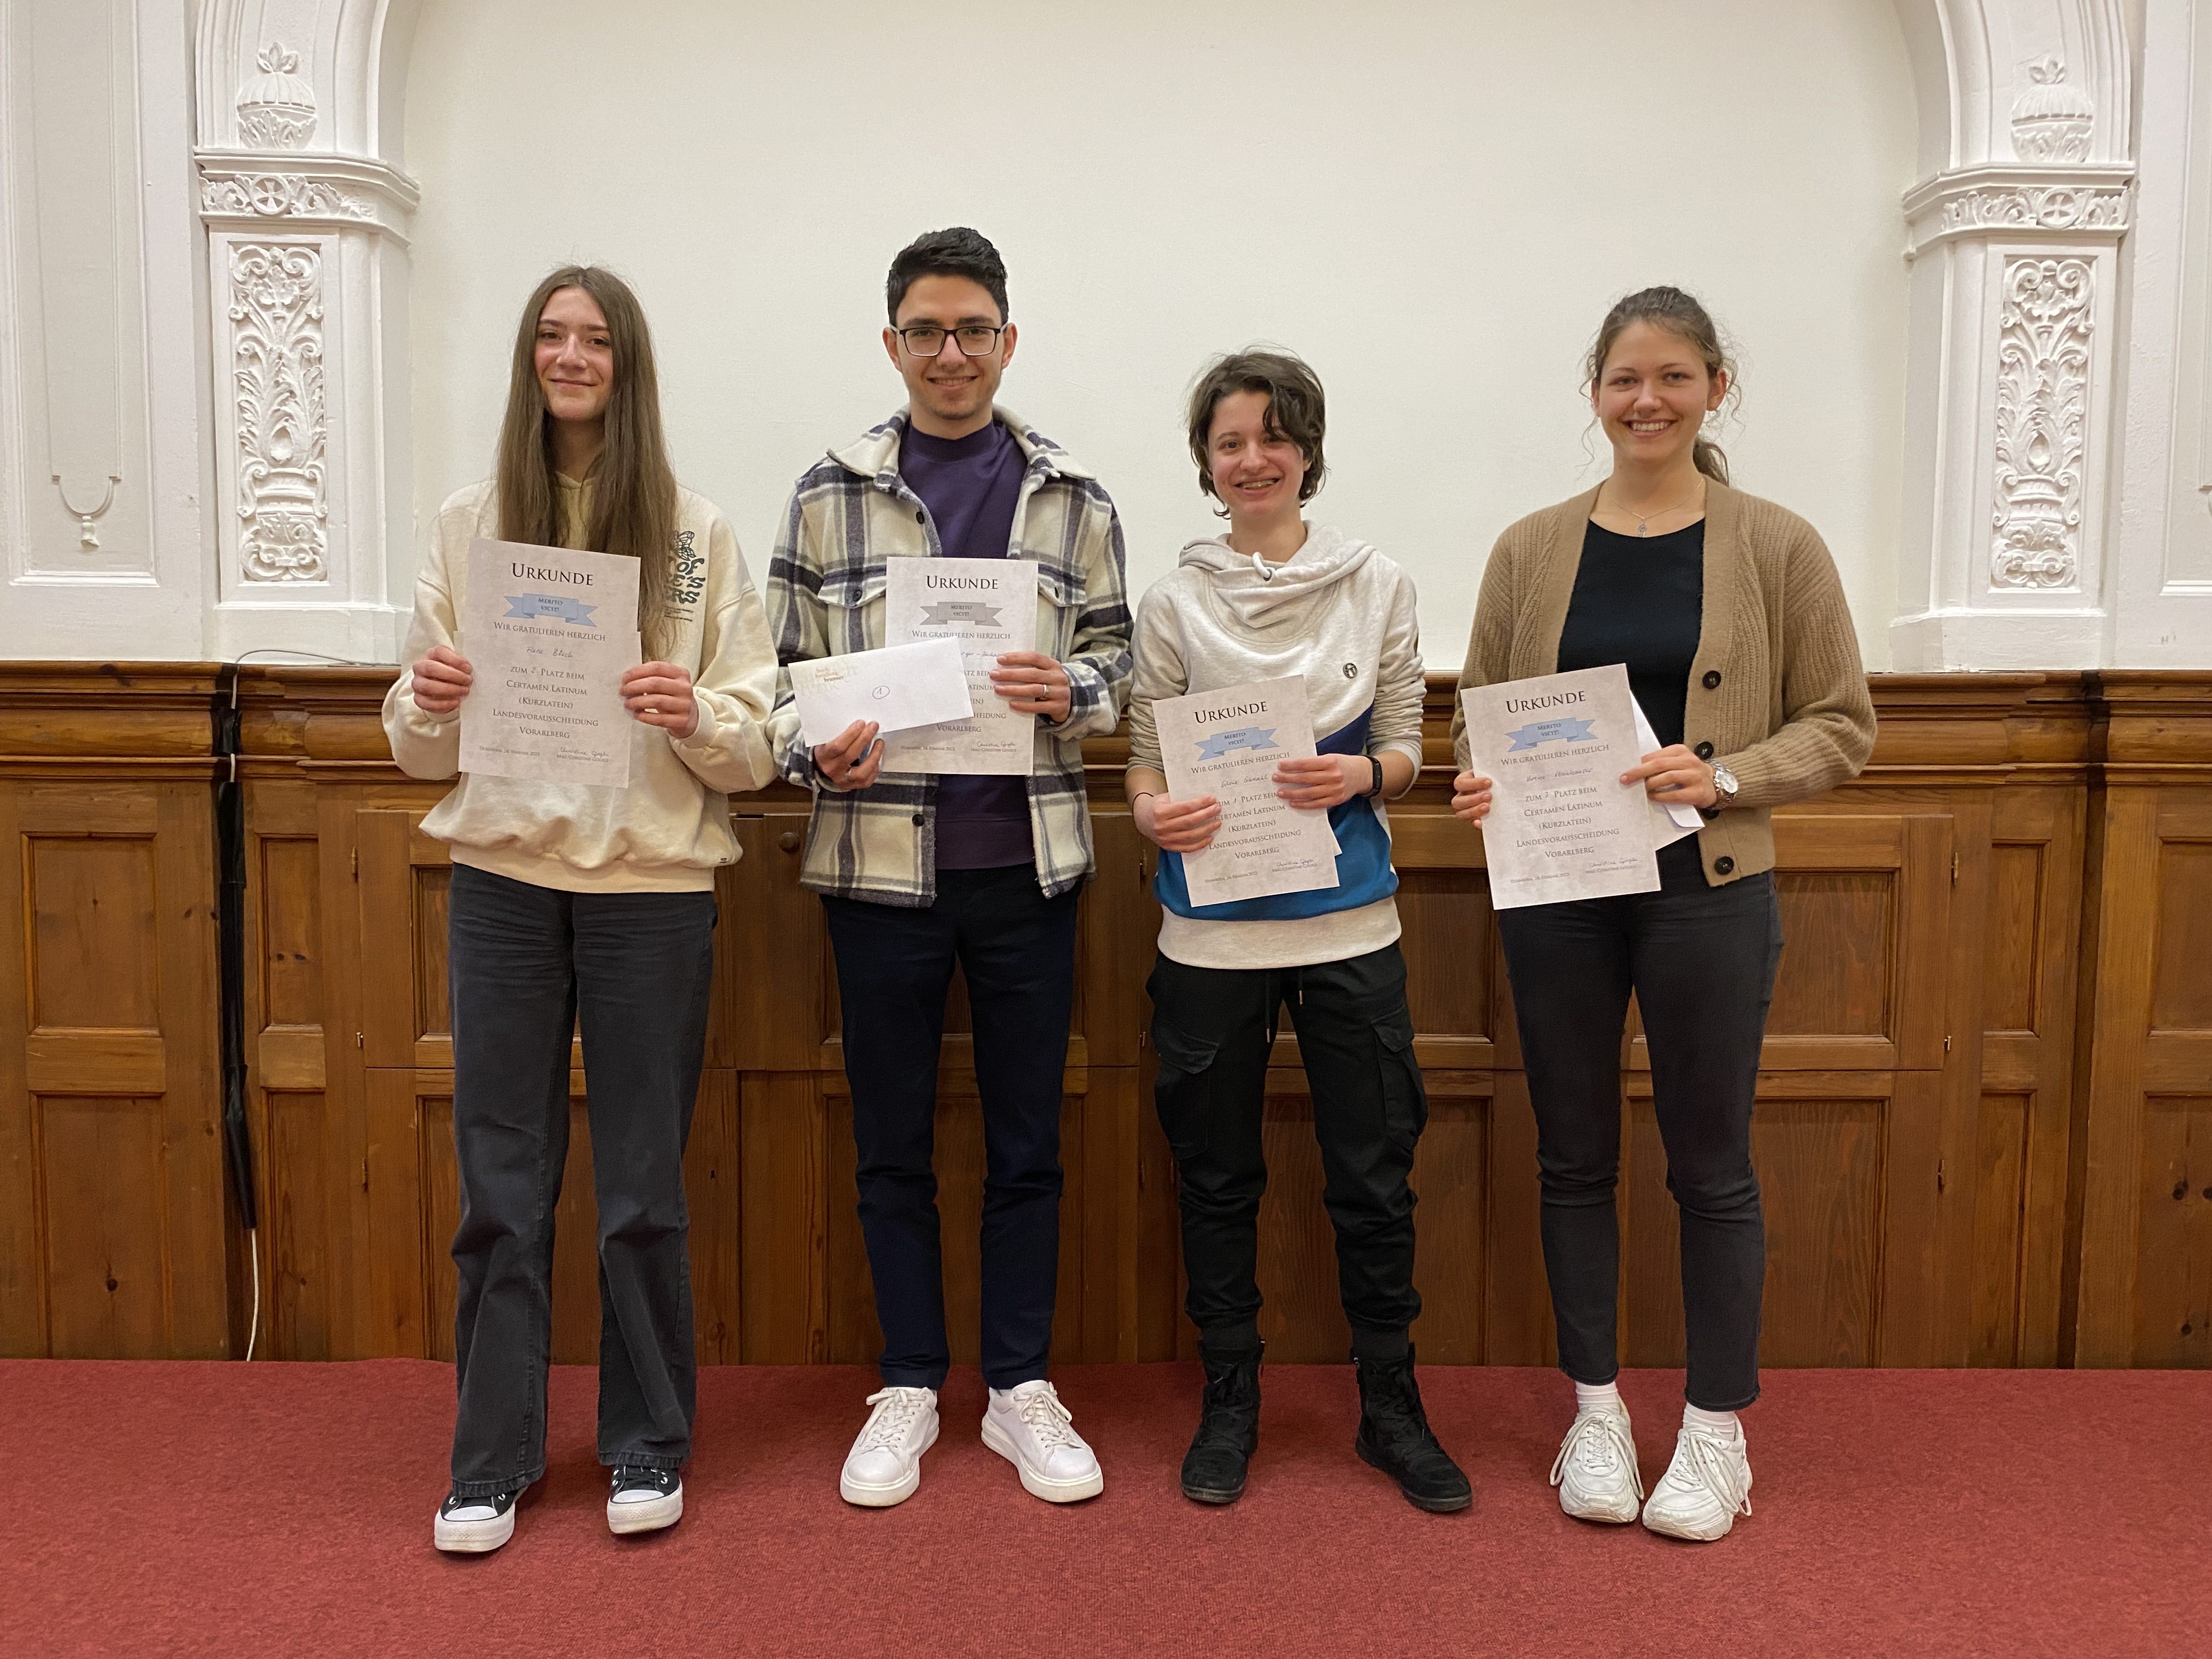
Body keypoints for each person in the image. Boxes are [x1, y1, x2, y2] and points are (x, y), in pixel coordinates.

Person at [1449, 286, 1875, 1541]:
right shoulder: (1529, 549)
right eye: (1625, 379)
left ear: (1715, 389)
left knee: (1711, 1164)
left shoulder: (1779, 545)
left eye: (1674, 377)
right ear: (1595, 394)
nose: (1648, 400)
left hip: (1709, 889)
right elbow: (1483, 707)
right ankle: (1594, 1413)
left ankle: (1714, 1432)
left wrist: (1725, 775)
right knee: (1573, 1153)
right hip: (1561, 888)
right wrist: (1479, 780)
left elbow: (1843, 724)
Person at [383, 266, 780, 1553]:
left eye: (594, 339)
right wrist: (430, 700)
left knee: (643, 1187)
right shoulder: (470, 524)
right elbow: (416, 748)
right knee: (500, 1186)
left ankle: (646, 1442)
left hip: (649, 892)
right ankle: (489, 1461)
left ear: (628, 364)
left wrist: (693, 711)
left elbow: (756, 743)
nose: (570, 356)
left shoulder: (695, 532)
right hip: (503, 885)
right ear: (528, 359)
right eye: (551, 336)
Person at [764, 228, 1131, 1508]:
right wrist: (817, 751)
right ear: (893, 345)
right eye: (926, 331)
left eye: (974, 329)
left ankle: (1019, 1387)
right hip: (880, 874)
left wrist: (1073, 687)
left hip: (1030, 869)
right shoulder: (827, 494)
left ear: (1007, 341)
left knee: (1029, 1144)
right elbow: (777, 684)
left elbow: (1122, 661)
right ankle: (912, 1383)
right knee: (891, 1146)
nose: (951, 352)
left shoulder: (1075, 498)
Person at [1125, 349, 1470, 1513]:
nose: (1253, 459)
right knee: (1216, 1180)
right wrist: (1149, 813)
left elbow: (1412, 742)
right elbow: (1143, 761)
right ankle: (1231, 1401)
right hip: (1210, 938)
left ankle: (1391, 1406)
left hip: (1349, 930)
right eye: (1230, 442)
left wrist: (1367, 772)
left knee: (1374, 1180)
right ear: (1205, 463)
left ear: (1309, 453)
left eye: (1274, 437)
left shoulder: (1379, 585)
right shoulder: (1172, 603)